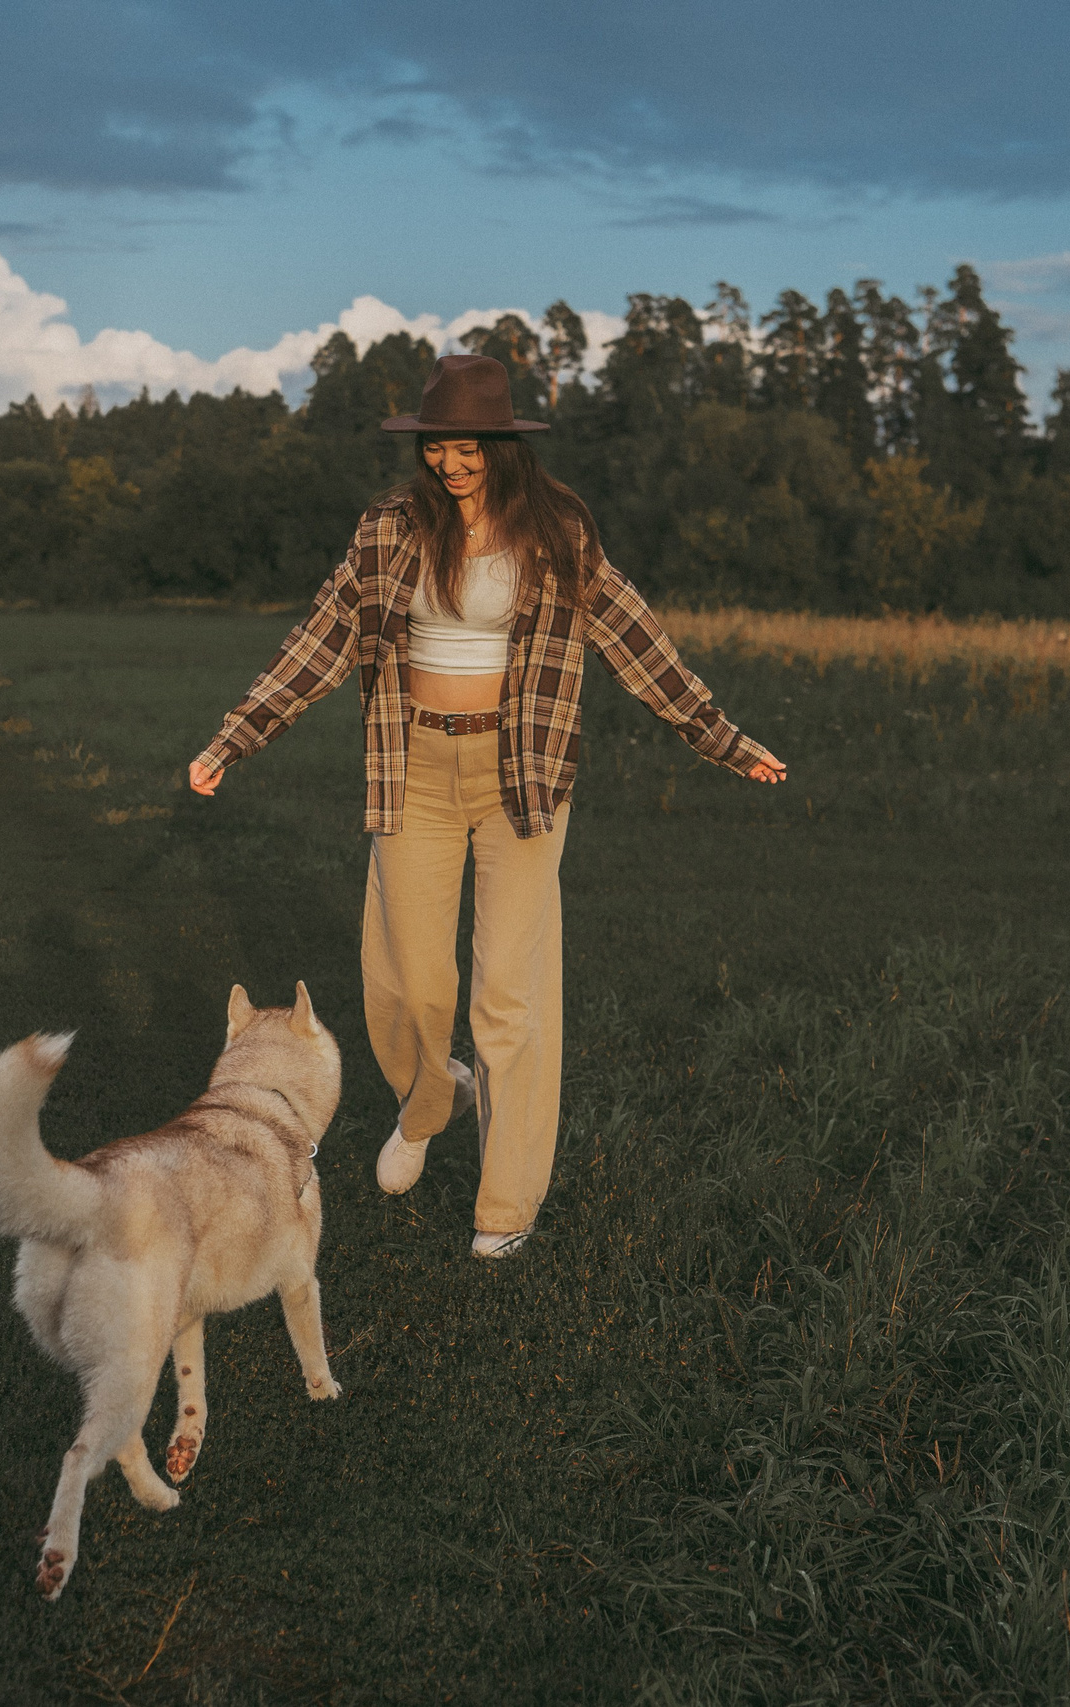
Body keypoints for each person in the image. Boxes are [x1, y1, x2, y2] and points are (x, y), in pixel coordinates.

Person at [188, 353, 785, 1258]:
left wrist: (722, 737)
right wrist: (233, 735)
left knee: (509, 995)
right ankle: (434, 1097)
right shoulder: (389, 528)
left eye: (467, 448)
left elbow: (635, 638)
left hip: (522, 778)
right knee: (406, 981)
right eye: (438, 447)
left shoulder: (557, 530)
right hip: (414, 769)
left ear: (503, 447)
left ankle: (505, 1207)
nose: (451, 464)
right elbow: (319, 641)